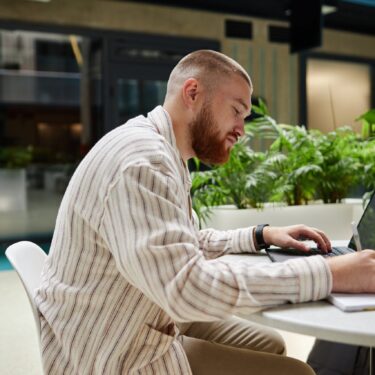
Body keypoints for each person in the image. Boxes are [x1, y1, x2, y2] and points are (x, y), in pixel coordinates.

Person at [35, 50, 375, 375]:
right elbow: (187, 289)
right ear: (193, 92)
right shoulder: (143, 161)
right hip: (111, 350)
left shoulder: (162, 150)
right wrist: (329, 273)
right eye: (236, 111)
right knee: (297, 373)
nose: (242, 131)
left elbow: (181, 242)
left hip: (134, 311)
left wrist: (260, 235)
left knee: (267, 343)